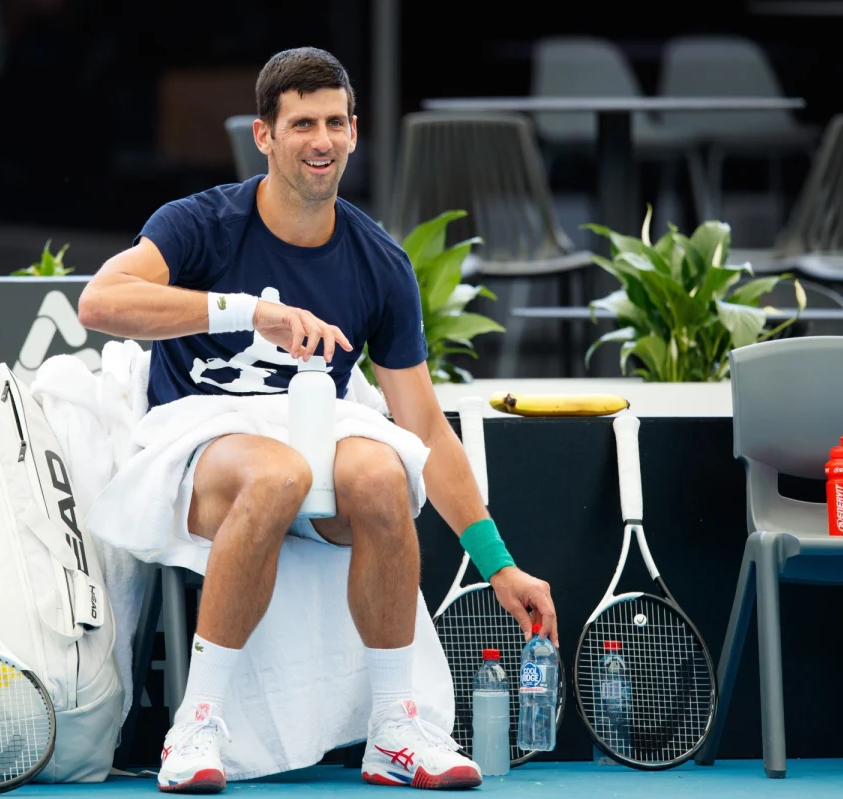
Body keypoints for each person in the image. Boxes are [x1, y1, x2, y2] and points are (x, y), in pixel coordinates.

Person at [78, 46, 558, 793]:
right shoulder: (200, 223)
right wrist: (247, 312)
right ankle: (196, 723)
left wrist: (499, 561)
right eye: (302, 123)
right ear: (265, 136)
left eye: (335, 122)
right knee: (278, 475)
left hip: (314, 428)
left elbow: (425, 428)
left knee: (379, 472)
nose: (322, 140)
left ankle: (396, 730)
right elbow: (101, 303)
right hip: (198, 433)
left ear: (356, 132)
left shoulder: (378, 261)